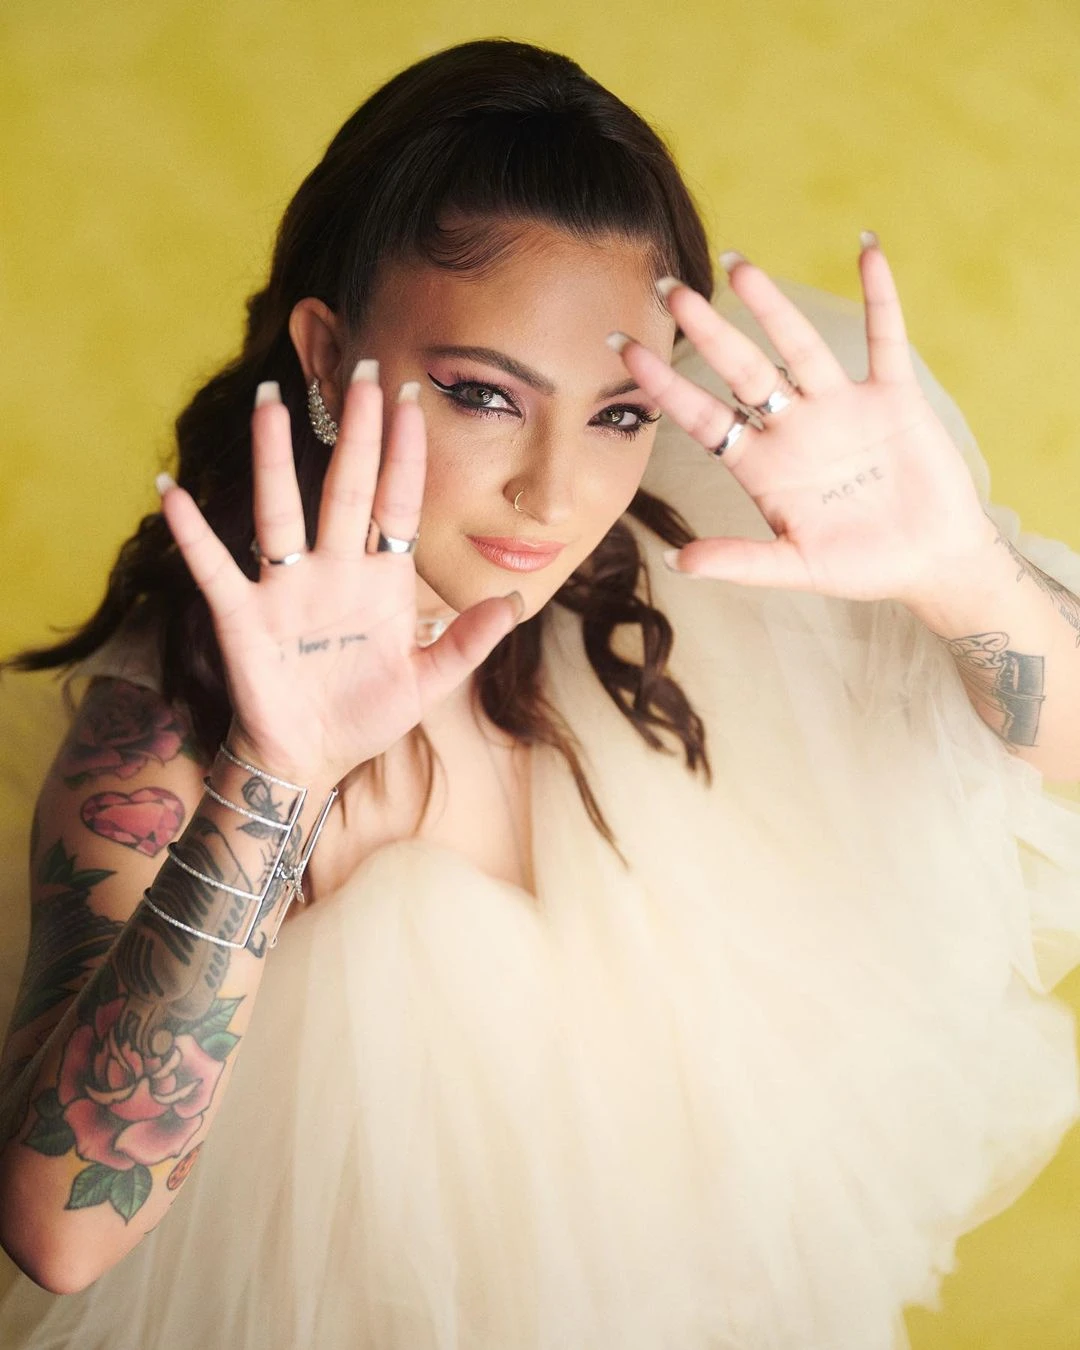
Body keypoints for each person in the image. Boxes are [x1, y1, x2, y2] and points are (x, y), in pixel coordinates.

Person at [1, 35, 1079, 1350]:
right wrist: (275, 776)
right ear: (328, 357)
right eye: (483, 396)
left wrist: (962, 574)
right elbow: (61, 1233)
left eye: (620, 415)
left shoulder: (687, 590)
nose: (555, 492)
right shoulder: (169, 737)